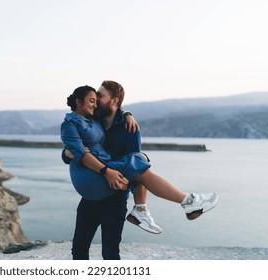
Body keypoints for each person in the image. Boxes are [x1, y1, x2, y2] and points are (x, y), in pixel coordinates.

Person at [60, 84, 219, 259]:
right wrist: (68, 154)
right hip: (91, 194)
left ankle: (153, 207)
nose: (96, 101)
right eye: (94, 98)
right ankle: (178, 203)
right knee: (79, 250)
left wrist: (127, 115)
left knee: (110, 254)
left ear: (114, 101)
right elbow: (75, 143)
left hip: (114, 196)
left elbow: (138, 172)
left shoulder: (129, 128)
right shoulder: (94, 116)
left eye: (99, 96)